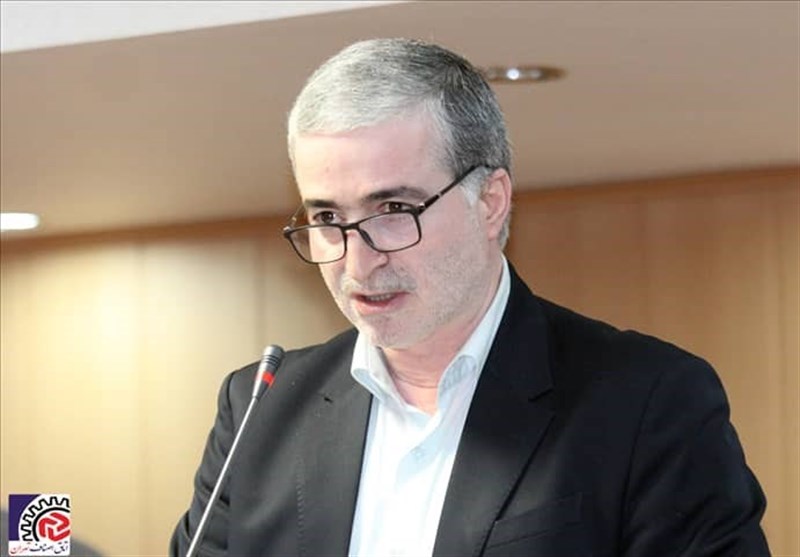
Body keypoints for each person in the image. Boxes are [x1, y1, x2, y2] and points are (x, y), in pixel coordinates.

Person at [170, 38, 770, 556]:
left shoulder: (646, 400)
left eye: (394, 209)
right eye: (328, 217)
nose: (356, 261)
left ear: (490, 202)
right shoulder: (260, 409)